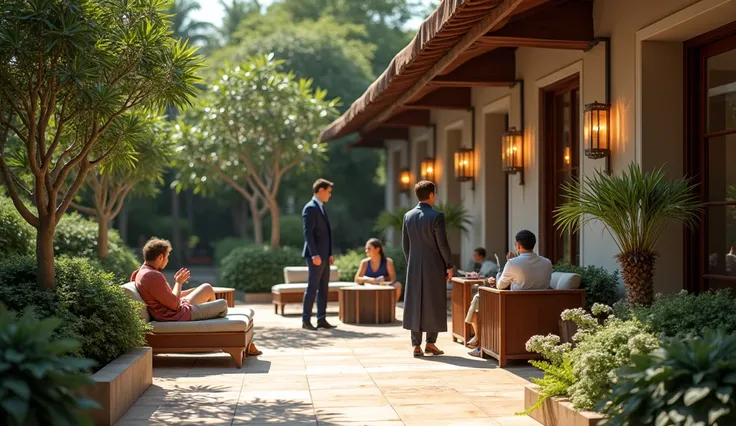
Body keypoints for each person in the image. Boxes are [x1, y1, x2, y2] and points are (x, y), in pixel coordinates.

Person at [132, 237, 262, 355]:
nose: (167, 260)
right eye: (167, 257)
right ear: (160, 257)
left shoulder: (141, 272)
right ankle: (219, 336)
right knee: (222, 304)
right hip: (175, 314)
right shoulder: (153, 275)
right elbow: (174, 304)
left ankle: (225, 334)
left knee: (206, 288)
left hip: (174, 309)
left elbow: (166, 297)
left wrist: (187, 291)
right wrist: (179, 282)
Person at [465, 230, 552, 356]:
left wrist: (505, 266)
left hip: (514, 307)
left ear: (518, 245)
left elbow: (500, 285)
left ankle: (479, 339)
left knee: (478, 298)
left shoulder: (513, 263)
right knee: (479, 300)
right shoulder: (547, 262)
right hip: (541, 307)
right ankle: (478, 340)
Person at [402, 180, 454, 357]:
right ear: (431, 195)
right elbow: (442, 244)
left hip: (414, 266)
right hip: (434, 266)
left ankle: (416, 346)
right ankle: (431, 343)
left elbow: (405, 245)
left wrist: (412, 263)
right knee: (434, 302)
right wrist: (449, 265)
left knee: (416, 302)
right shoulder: (436, 216)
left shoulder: (408, 216)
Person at [301, 178, 336, 331]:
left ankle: (321, 319)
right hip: (315, 257)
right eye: (328, 192)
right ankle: (306, 320)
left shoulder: (320, 207)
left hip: (324, 256)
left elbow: (325, 234)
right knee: (312, 287)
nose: (330, 195)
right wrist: (315, 255)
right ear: (321, 190)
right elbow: (308, 234)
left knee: (323, 288)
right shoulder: (310, 208)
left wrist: (329, 253)